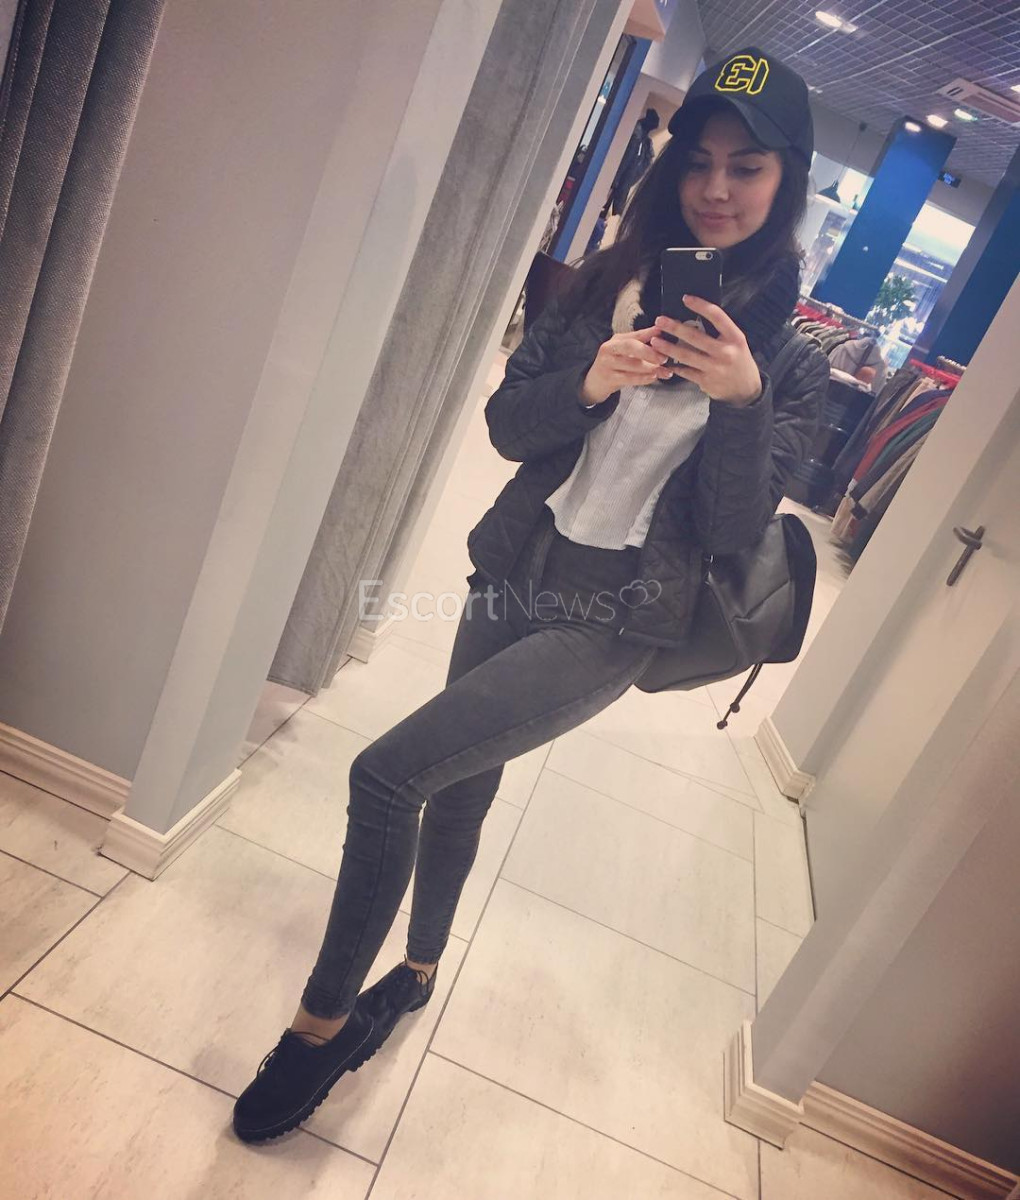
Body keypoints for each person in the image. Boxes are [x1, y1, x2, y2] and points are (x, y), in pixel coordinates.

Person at [232, 45, 829, 1144]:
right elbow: (510, 426)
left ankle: (318, 1028)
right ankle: (416, 969)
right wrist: (594, 378)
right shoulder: (607, 284)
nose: (716, 187)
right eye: (699, 161)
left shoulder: (791, 360)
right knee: (460, 786)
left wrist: (743, 401)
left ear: (787, 180)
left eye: (747, 167)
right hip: (519, 561)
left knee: (385, 774)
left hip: (617, 615)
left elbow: (733, 530)